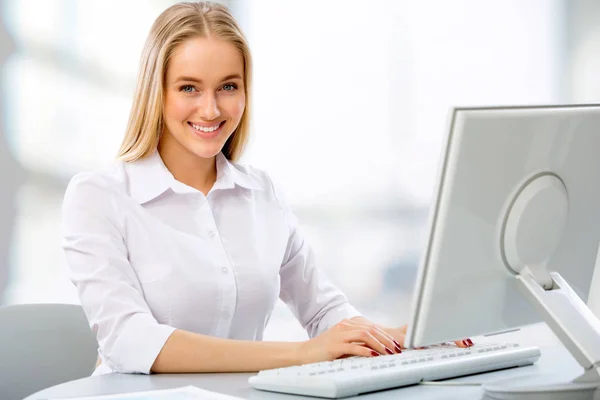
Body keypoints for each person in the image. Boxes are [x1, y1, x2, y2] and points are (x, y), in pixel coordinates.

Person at [62, 1, 472, 375]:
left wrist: (400, 338)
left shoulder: (261, 194)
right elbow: (129, 341)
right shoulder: (98, 196)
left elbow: (323, 308)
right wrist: (302, 353)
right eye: (189, 87)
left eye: (228, 86)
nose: (212, 109)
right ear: (157, 91)